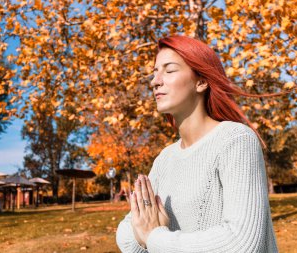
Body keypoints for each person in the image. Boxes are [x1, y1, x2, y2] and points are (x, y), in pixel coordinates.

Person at [116, 35, 279, 253]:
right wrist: (147, 234)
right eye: (155, 72)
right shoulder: (165, 159)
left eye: (169, 70)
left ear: (201, 81)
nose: (155, 81)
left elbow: (242, 243)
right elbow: (127, 235)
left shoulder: (235, 140)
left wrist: (155, 238)